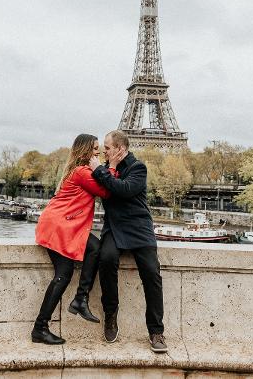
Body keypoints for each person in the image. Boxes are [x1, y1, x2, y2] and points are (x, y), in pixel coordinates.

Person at [88, 130, 167, 353]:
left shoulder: (138, 168)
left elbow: (122, 190)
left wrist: (101, 170)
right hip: (114, 227)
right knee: (106, 259)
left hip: (139, 227)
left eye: (108, 147)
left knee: (152, 273)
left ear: (120, 149)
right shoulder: (106, 169)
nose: (104, 151)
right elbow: (103, 191)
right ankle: (110, 314)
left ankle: (156, 331)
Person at [32, 134, 110, 345]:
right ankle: (42, 326)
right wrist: (109, 166)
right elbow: (106, 190)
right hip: (60, 227)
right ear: (85, 150)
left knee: (91, 250)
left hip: (61, 225)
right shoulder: (83, 172)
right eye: (95, 148)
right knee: (63, 275)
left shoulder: (76, 170)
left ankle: (79, 300)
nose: (99, 152)